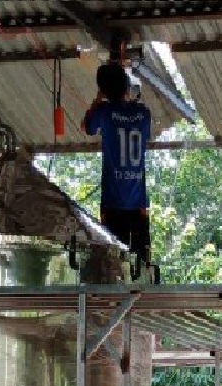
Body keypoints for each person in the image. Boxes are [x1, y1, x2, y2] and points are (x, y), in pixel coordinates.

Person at [83, 61, 155, 279]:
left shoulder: (104, 112)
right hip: (137, 204)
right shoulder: (143, 113)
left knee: (113, 265)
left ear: (104, 90)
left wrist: (99, 98)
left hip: (112, 204)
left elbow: (86, 126)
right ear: (126, 86)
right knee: (141, 265)